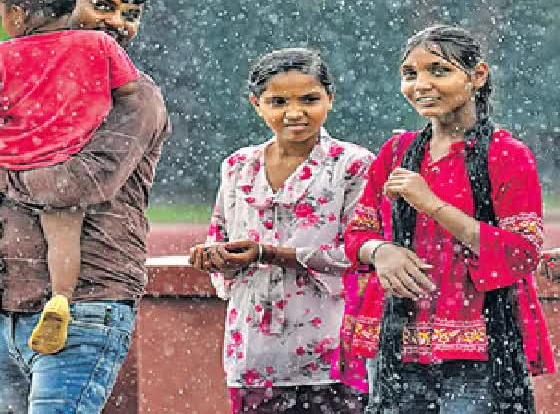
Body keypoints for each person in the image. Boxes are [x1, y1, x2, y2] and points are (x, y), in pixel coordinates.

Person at [0, 0, 170, 414]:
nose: (118, 24)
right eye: (104, 5)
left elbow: (76, 184)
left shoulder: (134, 98)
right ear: (62, 4)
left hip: (82, 306)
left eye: (131, 14)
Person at [343, 25, 554, 413]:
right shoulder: (396, 151)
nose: (421, 84)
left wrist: (430, 202)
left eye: (438, 70)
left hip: (481, 347)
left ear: (477, 75)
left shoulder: (506, 155)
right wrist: (382, 251)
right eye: (410, 74)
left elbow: (521, 253)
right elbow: (358, 233)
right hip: (398, 342)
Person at [189, 49, 373, 413]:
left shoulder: (352, 165)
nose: (294, 112)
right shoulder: (237, 166)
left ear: (330, 100)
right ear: (257, 104)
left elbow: (361, 254)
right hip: (253, 351)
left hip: (331, 348)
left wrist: (270, 254)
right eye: (278, 101)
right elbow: (220, 237)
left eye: (309, 99)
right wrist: (212, 256)